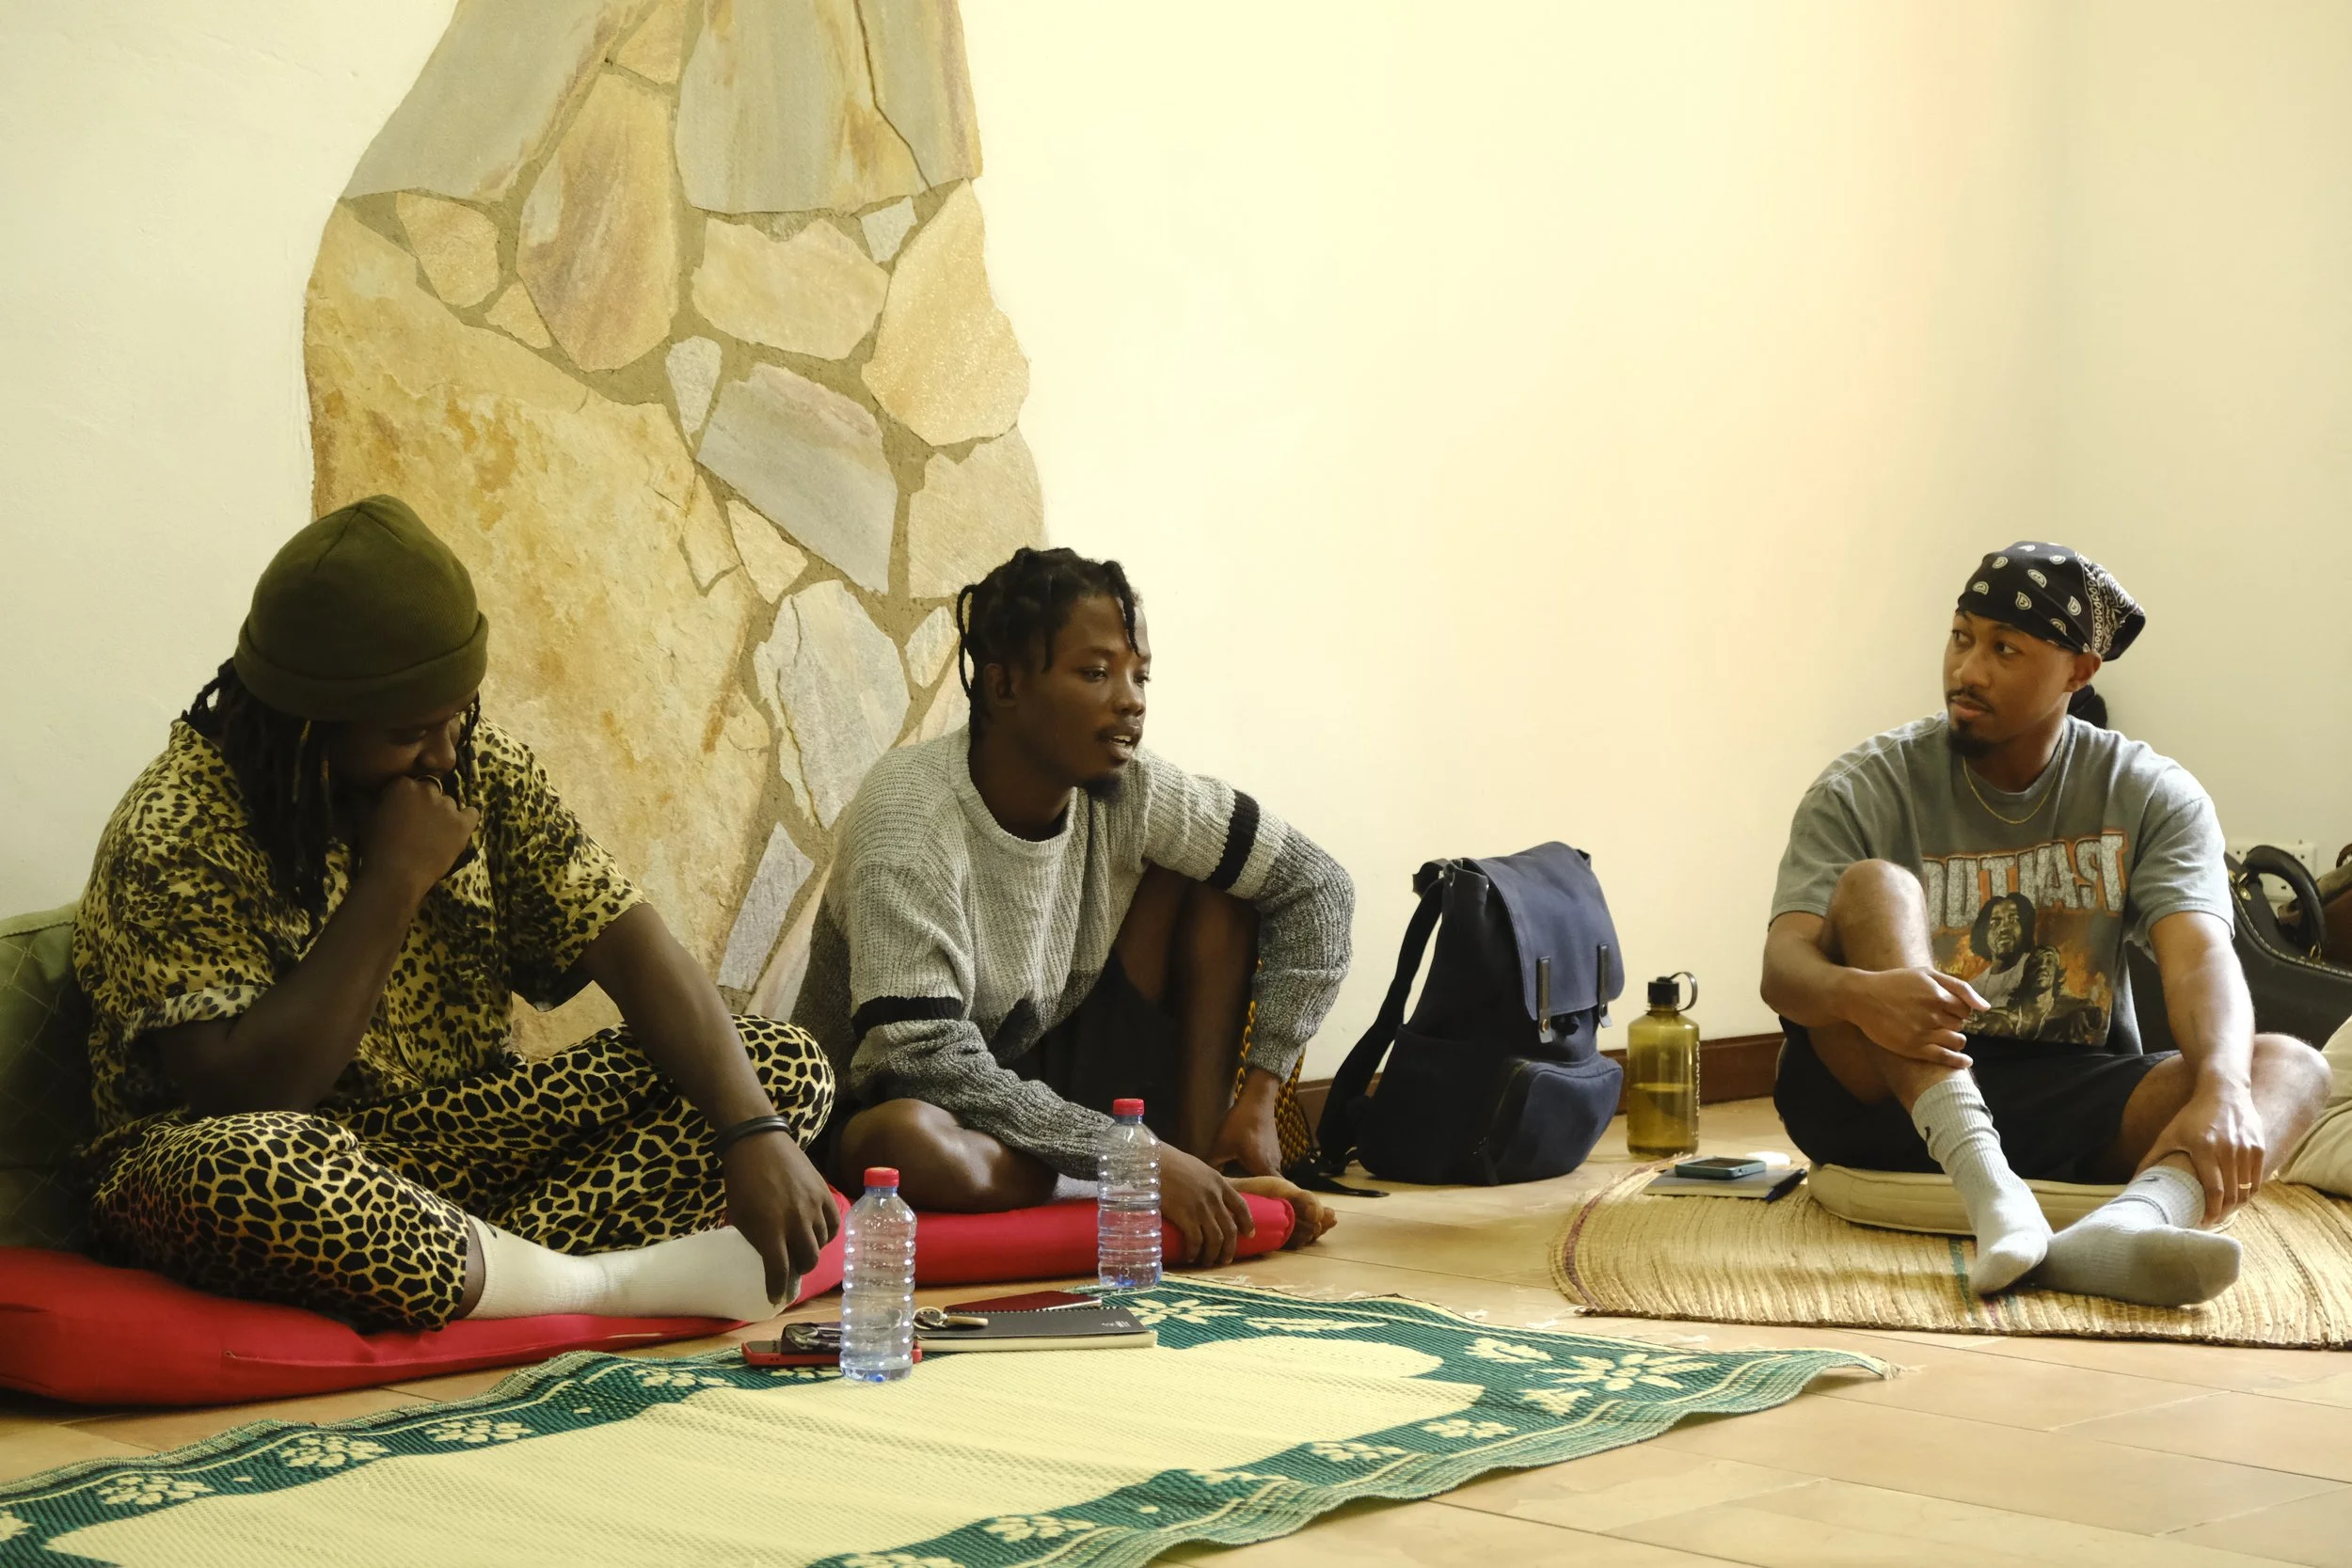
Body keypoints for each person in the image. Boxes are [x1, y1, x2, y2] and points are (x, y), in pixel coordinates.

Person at [72, 497, 839, 1332]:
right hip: (247, 1163)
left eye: (457, 716)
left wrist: (751, 1129)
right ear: (305, 727)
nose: (444, 755)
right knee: (251, 1171)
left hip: (455, 1146)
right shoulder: (177, 825)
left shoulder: (476, 764)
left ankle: (489, 1277)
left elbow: (630, 942)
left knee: (780, 1064)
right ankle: (599, 1287)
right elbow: (255, 1097)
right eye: (410, 733)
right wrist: (393, 880)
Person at [1761, 541, 2332, 1307]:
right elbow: (1783, 967)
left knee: (2292, 1068)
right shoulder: (1867, 785)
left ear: (2078, 671)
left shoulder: (2151, 792)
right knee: (1875, 886)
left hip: (2064, 1090)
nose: (1968, 670)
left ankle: (2128, 1227)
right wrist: (1861, 995)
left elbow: (2199, 957)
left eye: (2005, 649)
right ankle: (1993, 1194)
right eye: (1961, 636)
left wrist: (2225, 1086)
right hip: (1878, 1090)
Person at [793, 546, 1350, 1265]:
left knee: (1221, 886)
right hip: (903, 1095)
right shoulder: (909, 816)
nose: (1131, 699)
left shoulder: (1133, 788)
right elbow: (922, 1061)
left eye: (1139, 673)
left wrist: (1261, 1090)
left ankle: (1214, 1160)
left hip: (1040, 1071)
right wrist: (1129, 1159)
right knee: (904, 1140)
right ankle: (1151, 1182)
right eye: (1095, 672)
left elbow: (1318, 885)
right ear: (1002, 686)